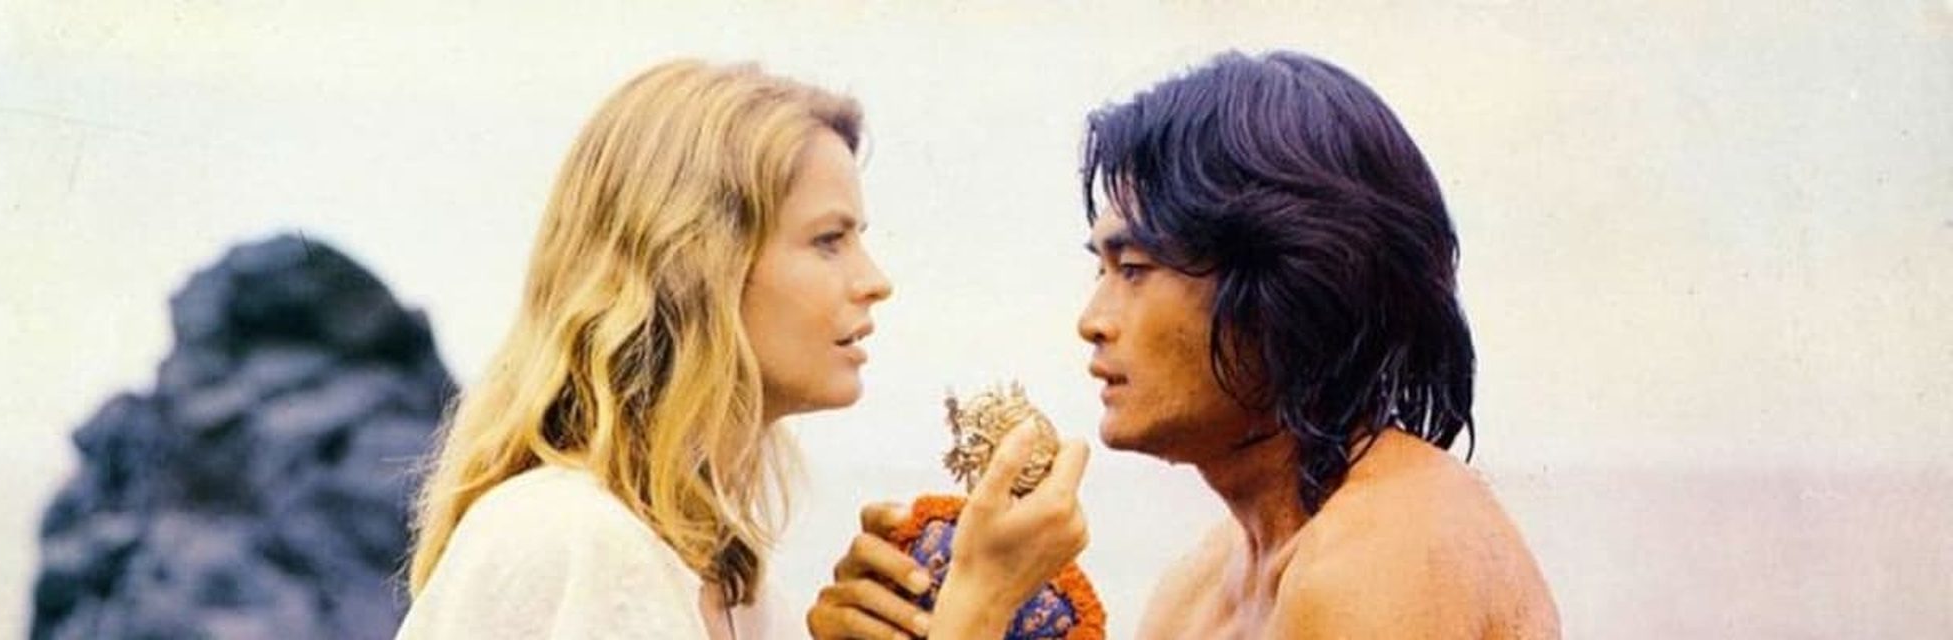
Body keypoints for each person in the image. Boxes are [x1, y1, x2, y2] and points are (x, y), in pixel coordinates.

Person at [809, 50, 1559, 638]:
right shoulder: (1203, 583)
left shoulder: (1386, 559)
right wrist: (940, 611)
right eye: (1101, 270)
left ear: (1283, 286)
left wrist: (972, 617)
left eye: (1134, 269)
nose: (1092, 320)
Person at [395, 59, 894, 639]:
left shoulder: (731, 584)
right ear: (698, 264)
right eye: (828, 240)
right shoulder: (576, 538)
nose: (875, 281)